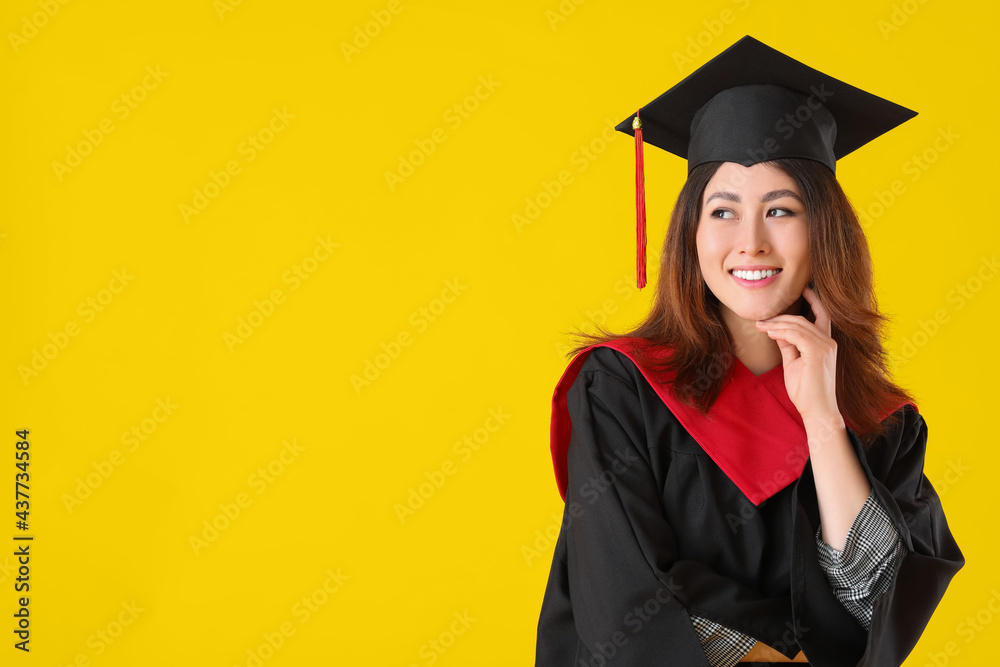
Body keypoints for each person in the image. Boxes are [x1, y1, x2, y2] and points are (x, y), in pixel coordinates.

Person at [534, 36, 964, 667]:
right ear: (693, 233)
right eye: (724, 210)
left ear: (825, 232)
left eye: (781, 209)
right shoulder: (619, 388)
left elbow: (879, 606)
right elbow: (617, 595)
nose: (751, 242)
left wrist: (823, 420)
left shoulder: (882, 421)